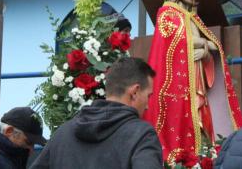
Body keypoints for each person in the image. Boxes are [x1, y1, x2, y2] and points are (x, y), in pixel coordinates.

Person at [143, 0, 242, 163]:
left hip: (197, 76)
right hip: (178, 82)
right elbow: (175, 43)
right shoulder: (167, 13)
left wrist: (205, 49)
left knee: (202, 117)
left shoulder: (192, 18)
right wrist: (201, 44)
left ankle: (203, 155)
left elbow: (212, 45)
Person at [30, 57, 162, 169]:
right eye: (148, 96)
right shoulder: (142, 135)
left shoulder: (63, 133)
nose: (147, 106)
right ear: (135, 92)